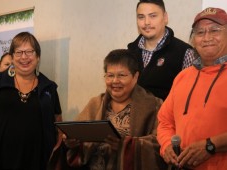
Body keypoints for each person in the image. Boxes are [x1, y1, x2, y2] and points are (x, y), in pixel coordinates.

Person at [62, 49, 167, 170]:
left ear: (135, 76)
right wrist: (73, 142)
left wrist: (126, 146)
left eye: (121, 75)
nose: (115, 81)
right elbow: (77, 137)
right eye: (110, 75)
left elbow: (160, 143)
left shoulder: (153, 105)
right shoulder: (95, 103)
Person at [0, 32, 62, 170]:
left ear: (38, 56)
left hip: (37, 163)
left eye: (29, 52)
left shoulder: (49, 88)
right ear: (12, 57)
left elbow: (58, 126)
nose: (24, 57)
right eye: (19, 52)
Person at [157, 7, 227, 170]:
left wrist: (211, 145)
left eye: (215, 30)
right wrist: (167, 145)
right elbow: (165, 122)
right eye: (200, 32)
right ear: (193, 39)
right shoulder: (183, 76)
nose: (207, 37)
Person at [127, 0, 195, 100]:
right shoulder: (130, 52)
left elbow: (188, 98)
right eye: (141, 17)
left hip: (166, 115)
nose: (146, 22)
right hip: (133, 114)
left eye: (153, 16)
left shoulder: (186, 53)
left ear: (165, 17)